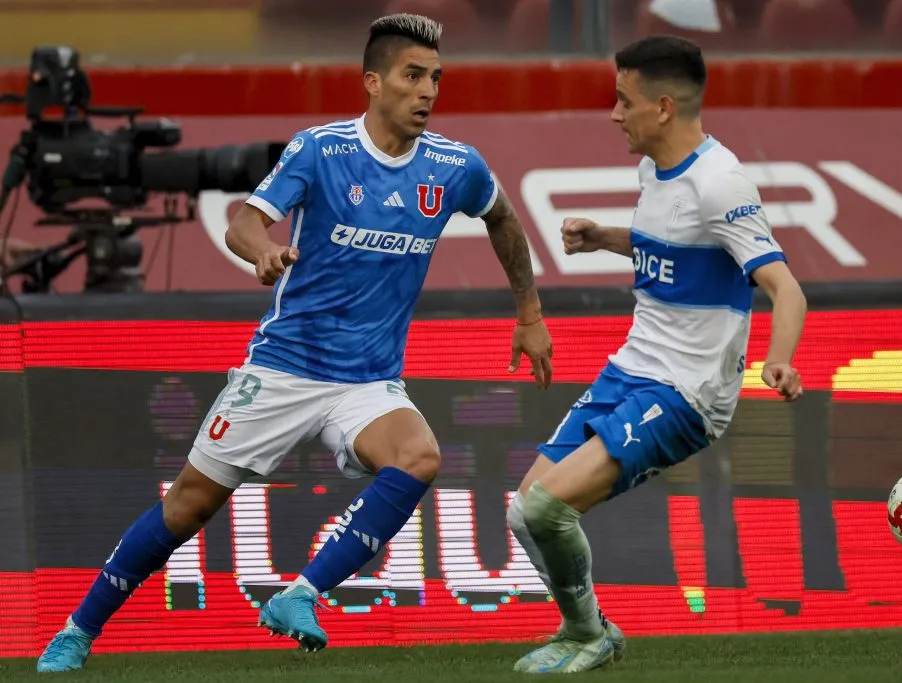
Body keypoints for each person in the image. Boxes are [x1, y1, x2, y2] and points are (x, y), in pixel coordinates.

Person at [37, 13, 553, 673]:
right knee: (188, 504)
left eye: (436, 78)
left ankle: (300, 593)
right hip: (283, 368)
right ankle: (77, 630)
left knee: (420, 454)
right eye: (412, 75)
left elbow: (504, 218)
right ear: (373, 81)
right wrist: (264, 253)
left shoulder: (455, 166)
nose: (427, 90)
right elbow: (243, 222)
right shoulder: (322, 150)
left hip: (366, 381)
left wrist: (530, 313)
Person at [505, 35, 806, 674]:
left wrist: (779, 360)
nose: (614, 114)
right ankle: (591, 632)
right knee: (523, 514)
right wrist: (606, 238)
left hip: (687, 393)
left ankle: (587, 637)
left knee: (546, 507)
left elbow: (786, 288)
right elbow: (674, 251)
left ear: (663, 107)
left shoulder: (721, 183)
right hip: (633, 368)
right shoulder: (655, 171)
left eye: (623, 101)